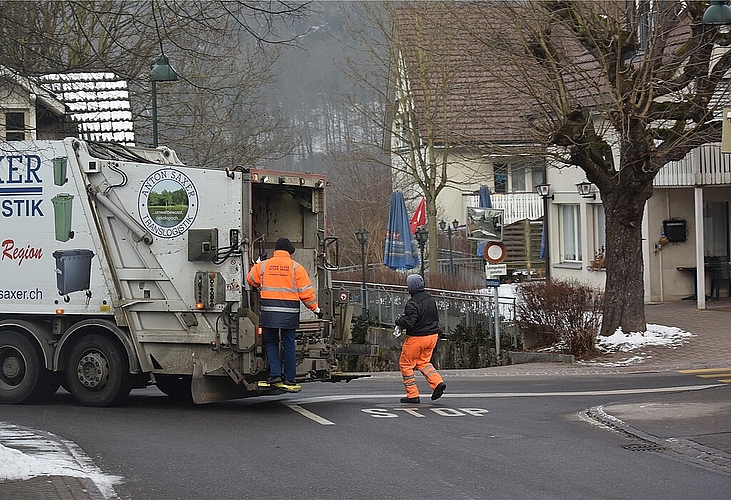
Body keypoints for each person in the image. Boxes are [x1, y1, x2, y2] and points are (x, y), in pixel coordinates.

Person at [247, 237, 323, 393]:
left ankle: (275, 375)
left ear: (276, 250)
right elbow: (306, 293)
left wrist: (257, 263)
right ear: (289, 252)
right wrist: (316, 310)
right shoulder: (296, 268)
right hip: (289, 314)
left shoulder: (263, 266)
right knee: (288, 345)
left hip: (270, 314)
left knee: (271, 343)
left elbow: (251, 280)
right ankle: (289, 378)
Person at [394, 273, 446, 403]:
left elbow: (410, 322)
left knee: (406, 365)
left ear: (410, 287)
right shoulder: (430, 298)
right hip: (432, 337)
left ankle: (412, 395)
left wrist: (399, 320)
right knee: (423, 362)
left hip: (417, 338)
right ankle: (437, 383)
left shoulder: (412, 303)